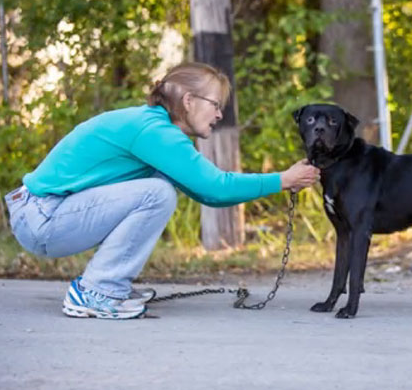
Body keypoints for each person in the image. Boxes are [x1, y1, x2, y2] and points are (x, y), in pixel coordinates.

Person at [4, 62, 320, 320]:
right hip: (42, 217)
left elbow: (206, 193)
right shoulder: (155, 131)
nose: (219, 115)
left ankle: (107, 285)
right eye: (215, 105)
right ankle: (97, 291)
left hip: (42, 213)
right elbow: (217, 187)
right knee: (156, 192)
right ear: (188, 101)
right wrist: (282, 179)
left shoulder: (154, 129)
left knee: (160, 185)